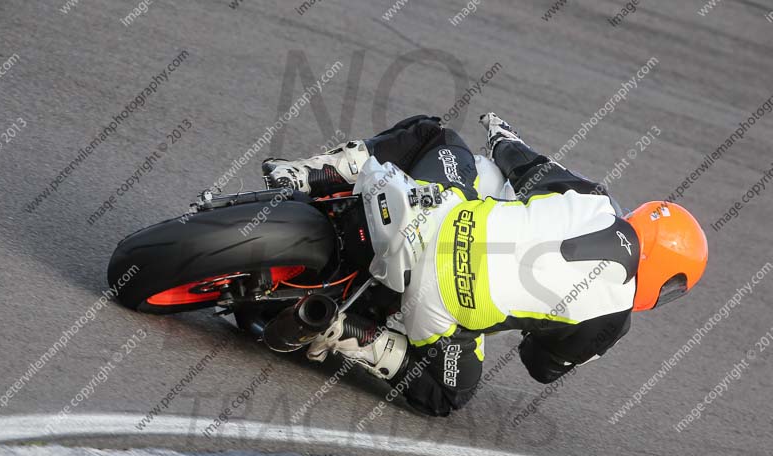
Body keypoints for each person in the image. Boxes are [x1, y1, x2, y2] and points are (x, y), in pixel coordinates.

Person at [262, 113, 709, 417]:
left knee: (433, 135)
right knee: (447, 395)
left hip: (436, 216)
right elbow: (539, 367)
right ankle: (342, 331)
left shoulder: (594, 199)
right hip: (436, 306)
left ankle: (310, 172)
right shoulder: (611, 320)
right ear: (664, 275)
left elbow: (525, 164)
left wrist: (501, 136)